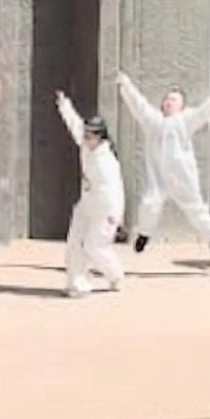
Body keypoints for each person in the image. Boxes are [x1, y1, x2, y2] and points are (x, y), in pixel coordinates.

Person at [116, 72, 210, 262]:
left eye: (173, 100)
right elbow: (138, 104)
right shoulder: (154, 120)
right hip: (158, 175)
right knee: (150, 203)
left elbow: (204, 111)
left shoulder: (186, 120)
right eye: (167, 99)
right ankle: (144, 234)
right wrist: (125, 85)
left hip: (182, 176)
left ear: (181, 106)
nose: (168, 102)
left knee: (195, 208)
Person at [57, 90, 126, 297]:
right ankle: (76, 282)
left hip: (106, 209)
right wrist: (64, 104)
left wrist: (115, 219)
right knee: (74, 243)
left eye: (90, 135)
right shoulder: (86, 144)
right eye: (85, 134)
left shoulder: (107, 162)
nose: (85, 137)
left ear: (100, 137)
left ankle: (115, 275)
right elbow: (74, 123)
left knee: (94, 247)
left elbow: (115, 193)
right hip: (87, 203)